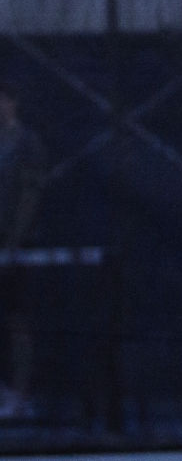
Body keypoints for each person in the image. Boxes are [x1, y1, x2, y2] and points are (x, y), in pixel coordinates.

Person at [0, 80, 46, 419]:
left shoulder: (28, 143)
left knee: (18, 320)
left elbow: (30, 195)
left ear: (13, 102)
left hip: (18, 248)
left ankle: (20, 393)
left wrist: (14, 240)